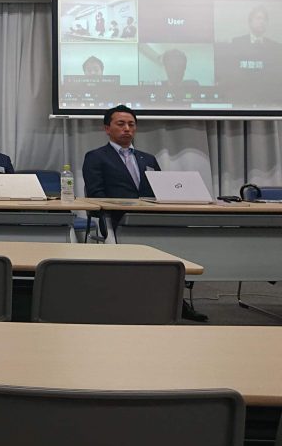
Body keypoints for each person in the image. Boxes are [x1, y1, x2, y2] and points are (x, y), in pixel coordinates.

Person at [81, 104, 206, 322]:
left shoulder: (147, 158)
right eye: (121, 124)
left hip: (149, 218)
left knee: (176, 248)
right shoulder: (96, 157)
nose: (127, 129)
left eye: (131, 124)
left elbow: (160, 189)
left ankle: (177, 302)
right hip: (115, 219)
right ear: (107, 128)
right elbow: (95, 193)